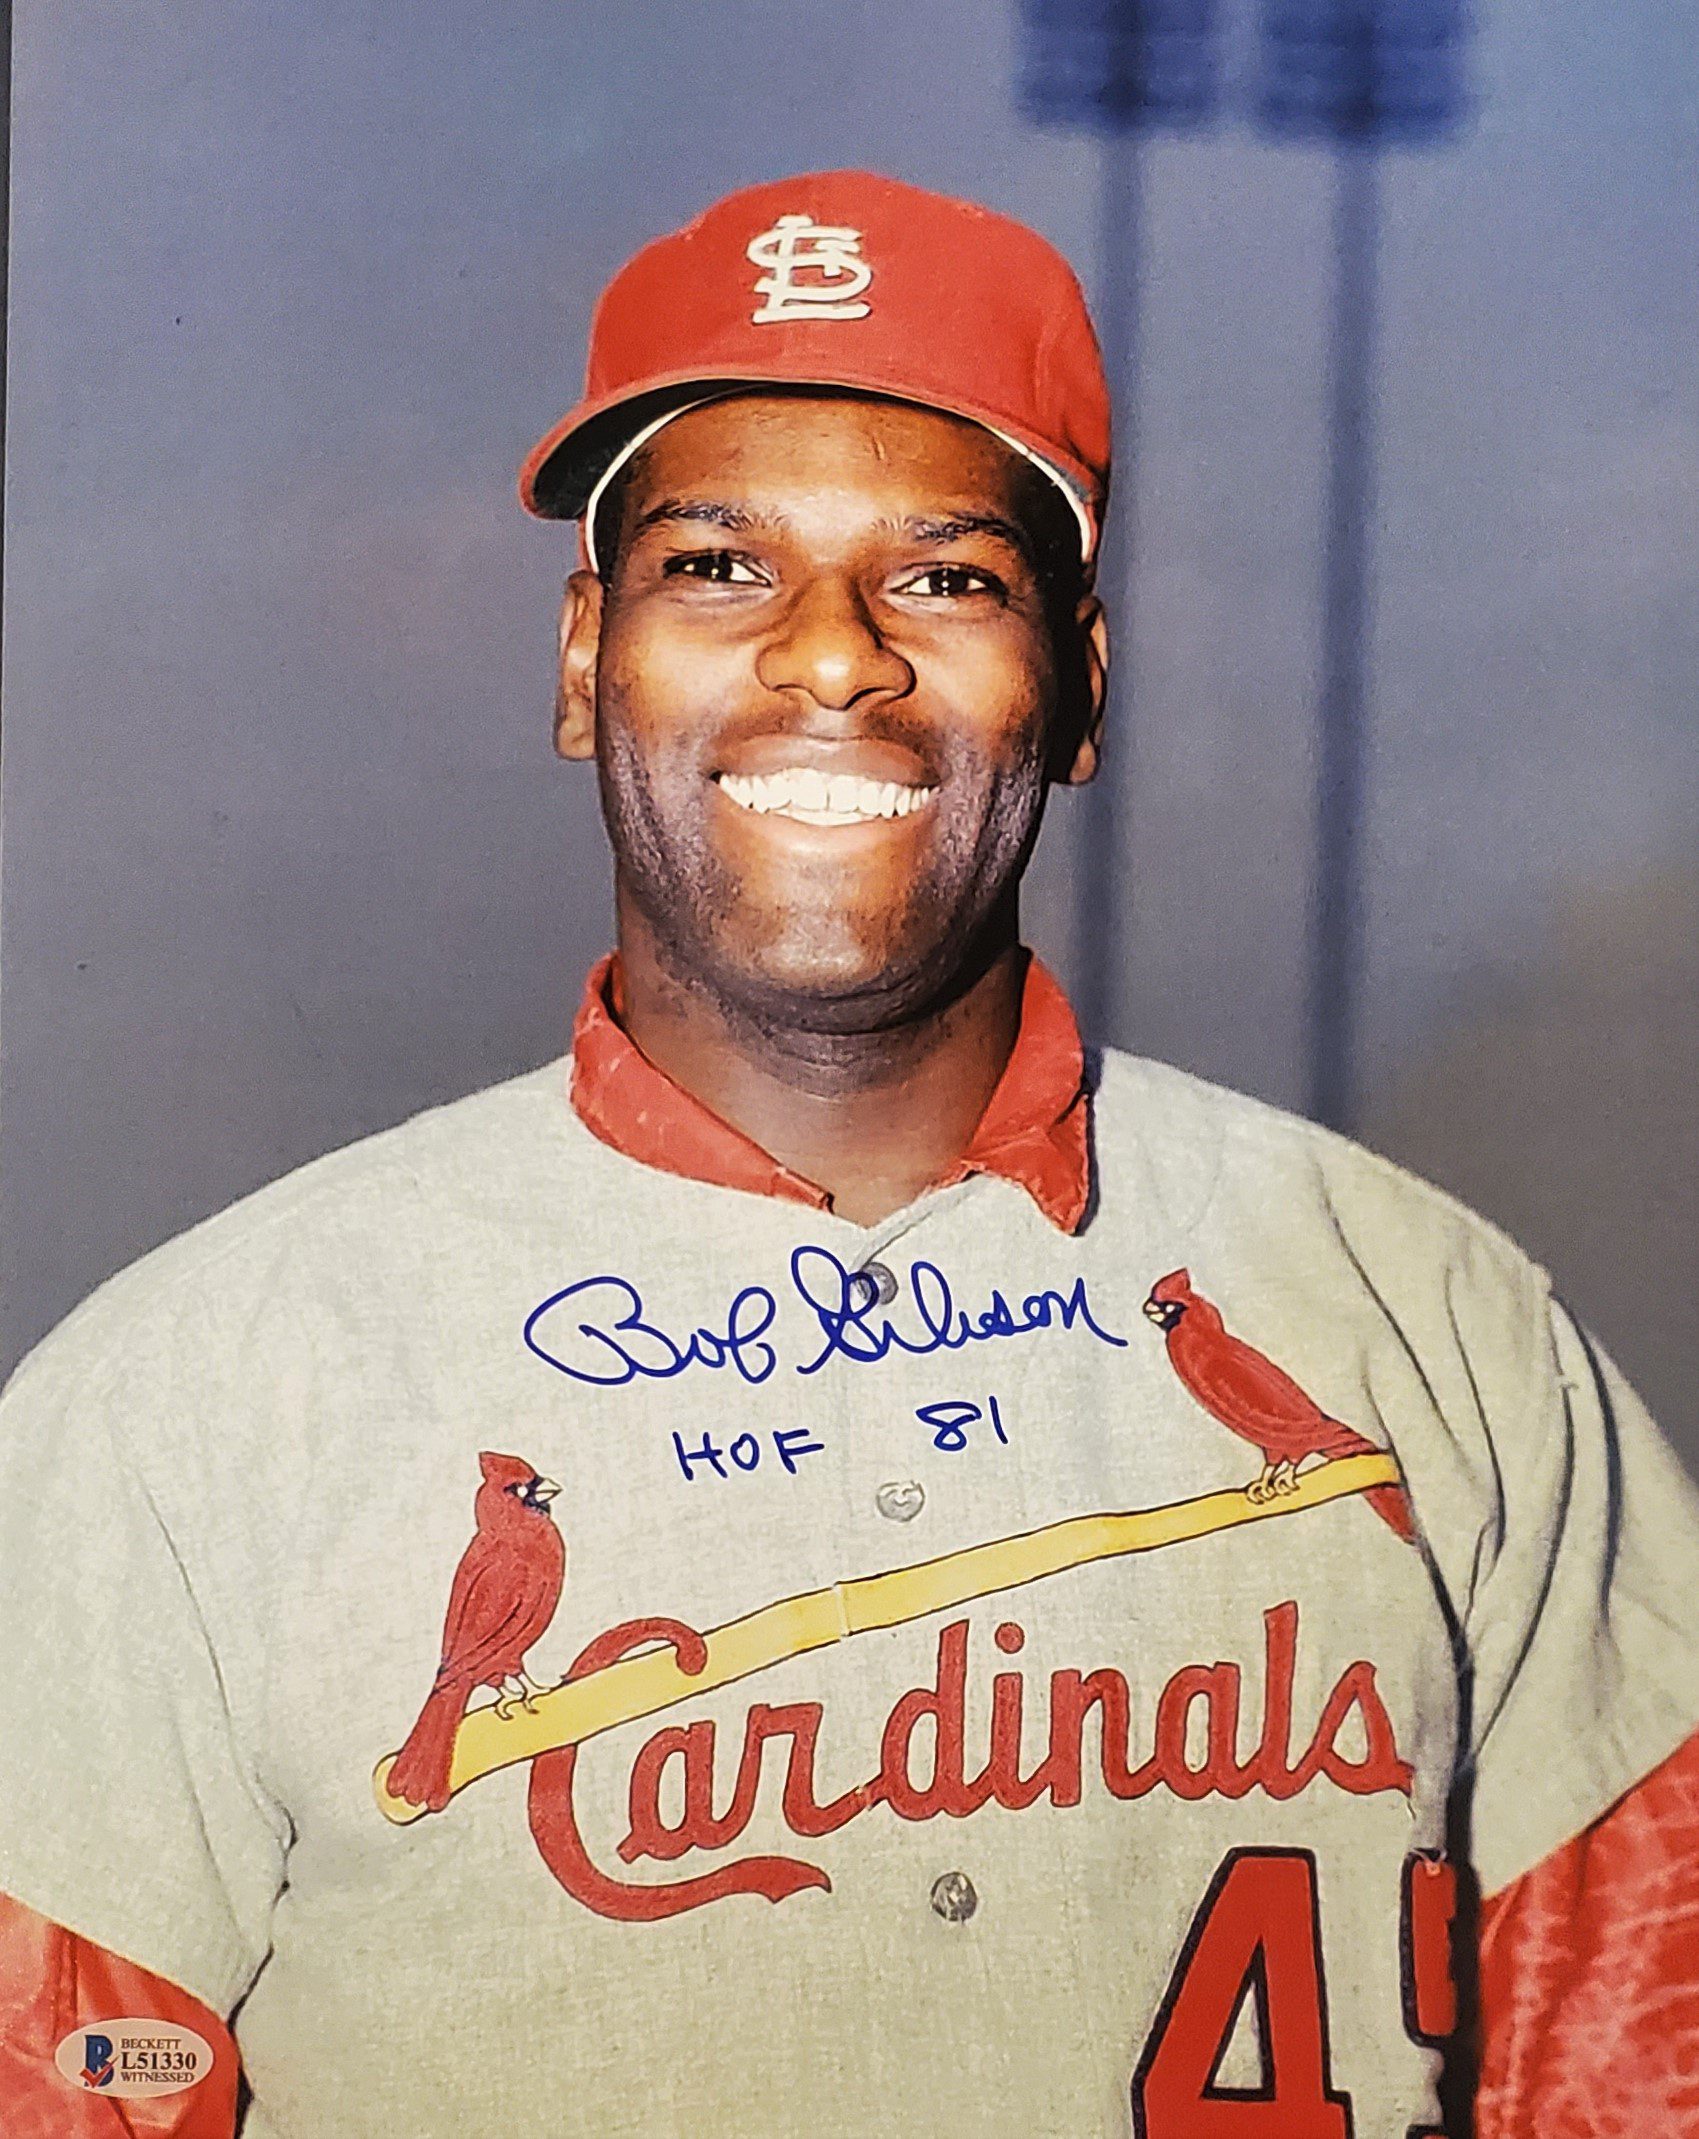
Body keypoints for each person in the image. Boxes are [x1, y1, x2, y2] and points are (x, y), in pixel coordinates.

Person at [0, 169, 1695, 2138]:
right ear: (580, 660)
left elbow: (1646, 2055)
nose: (827, 655)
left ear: (1076, 685)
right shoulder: (193, 1394)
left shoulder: (1444, 1326)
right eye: (717, 565)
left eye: (947, 577)